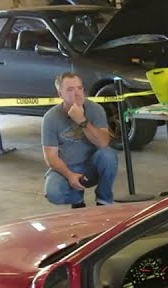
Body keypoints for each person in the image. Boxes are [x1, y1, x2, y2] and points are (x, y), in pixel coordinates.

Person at [42, 72, 116, 208]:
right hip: (68, 166)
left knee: (109, 155)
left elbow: (103, 143)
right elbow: (51, 157)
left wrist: (82, 121)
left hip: (91, 165)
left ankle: (104, 201)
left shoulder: (95, 109)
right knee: (53, 192)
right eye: (70, 90)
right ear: (60, 94)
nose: (77, 93)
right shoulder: (50, 117)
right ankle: (77, 201)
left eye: (80, 88)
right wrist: (70, 175)